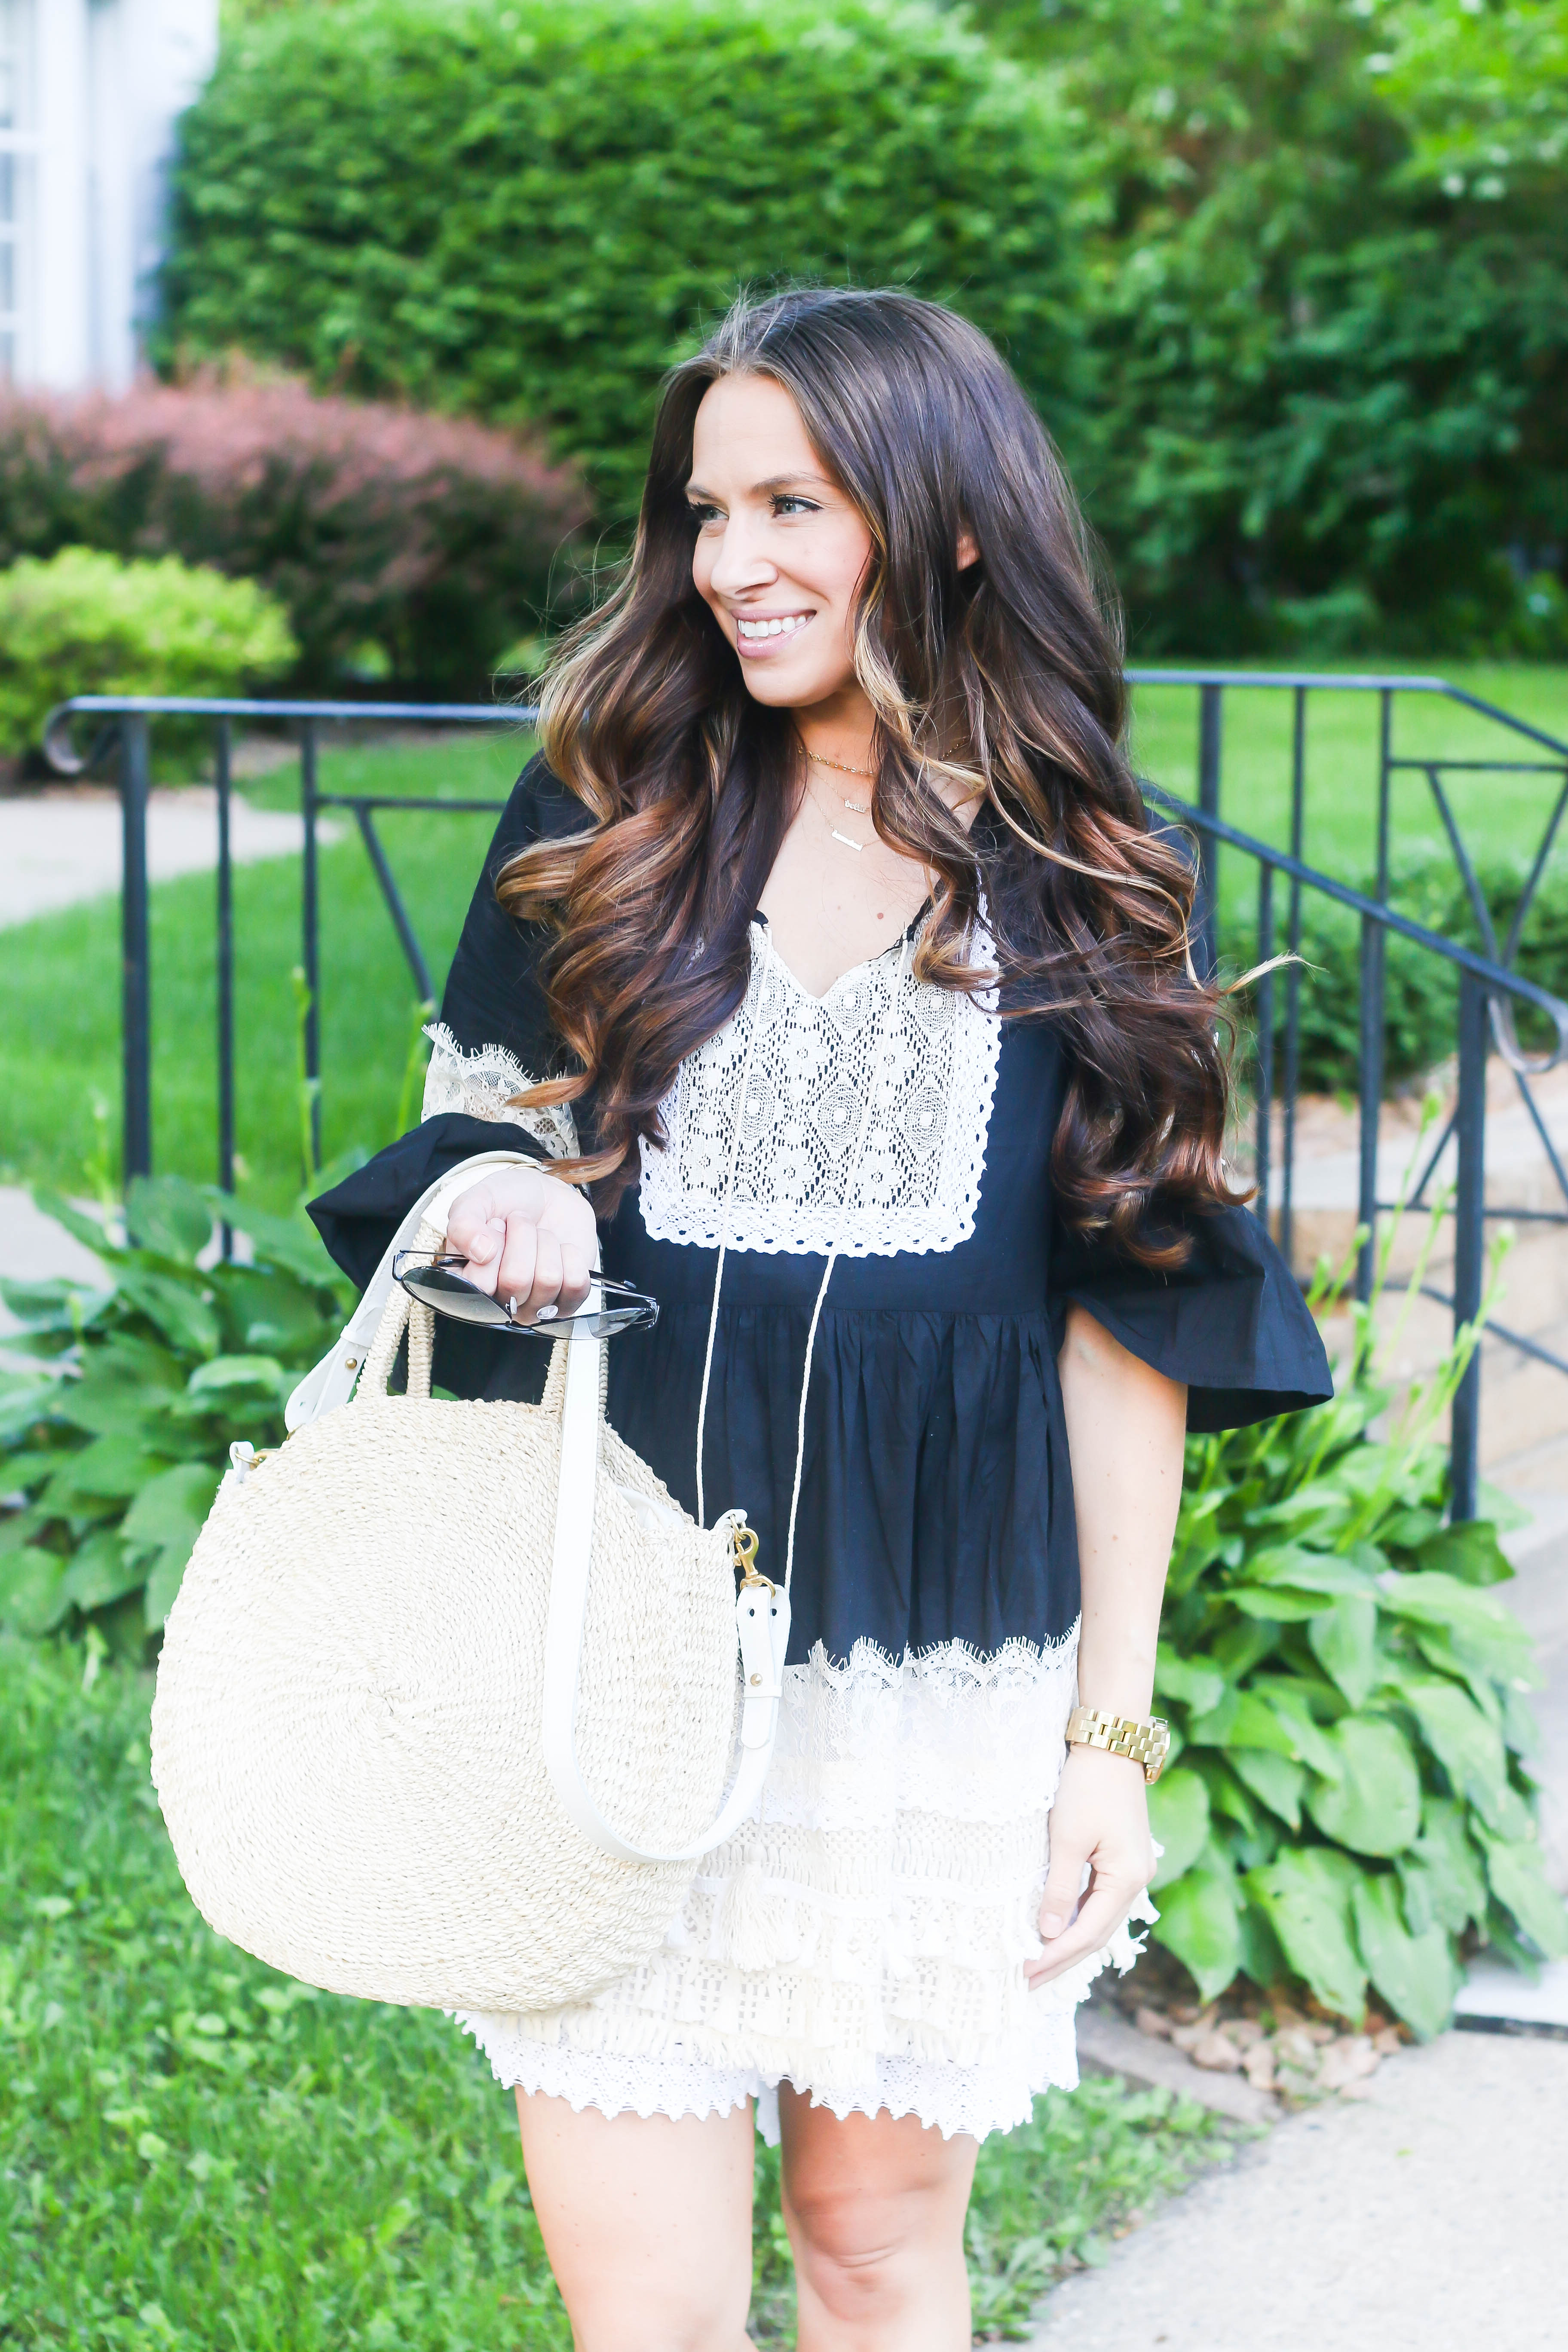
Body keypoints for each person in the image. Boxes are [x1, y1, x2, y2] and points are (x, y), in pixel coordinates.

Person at [312, 285, 1331, 2352]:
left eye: (794, 504)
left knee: (875, 2261)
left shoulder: (1087, 870)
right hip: (612, 1652)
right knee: (655, 2314)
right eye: (708, 511)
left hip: (933, 1688)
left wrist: (1107, 1742)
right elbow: (488, 1123)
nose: (732, 562)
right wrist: (504, 1181)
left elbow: (1126, 1330)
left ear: (942, 519)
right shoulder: (611, 804)